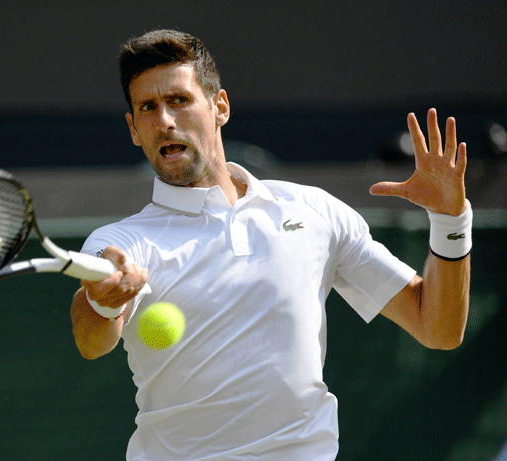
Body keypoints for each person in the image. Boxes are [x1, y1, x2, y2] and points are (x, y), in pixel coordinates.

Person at [69, 29, 471, 461]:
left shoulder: (315, 211)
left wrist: (451, 221)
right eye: (148, 107)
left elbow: (438, 328)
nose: (164, 119)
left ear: (219, 106)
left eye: (179, 100)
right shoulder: (121, 242)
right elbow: (91, 339)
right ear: (133, 129)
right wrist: (106, 301)